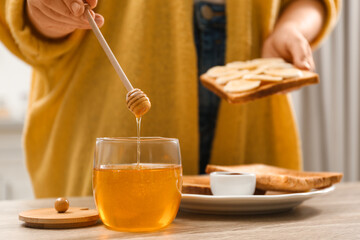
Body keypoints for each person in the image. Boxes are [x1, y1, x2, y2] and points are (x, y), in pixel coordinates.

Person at [0, 0, 340, 198]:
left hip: (254, 135)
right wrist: (47, 13)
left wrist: (292, 27)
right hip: (92, 133)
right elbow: (22, 12)